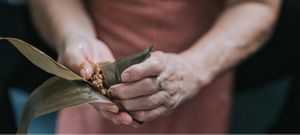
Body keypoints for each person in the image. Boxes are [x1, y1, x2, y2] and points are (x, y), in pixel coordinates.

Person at [28, 0, 281, 133]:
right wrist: (74, 37)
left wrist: (192, 69)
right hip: (96, 84)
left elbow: (256, 4)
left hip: (201, 73)